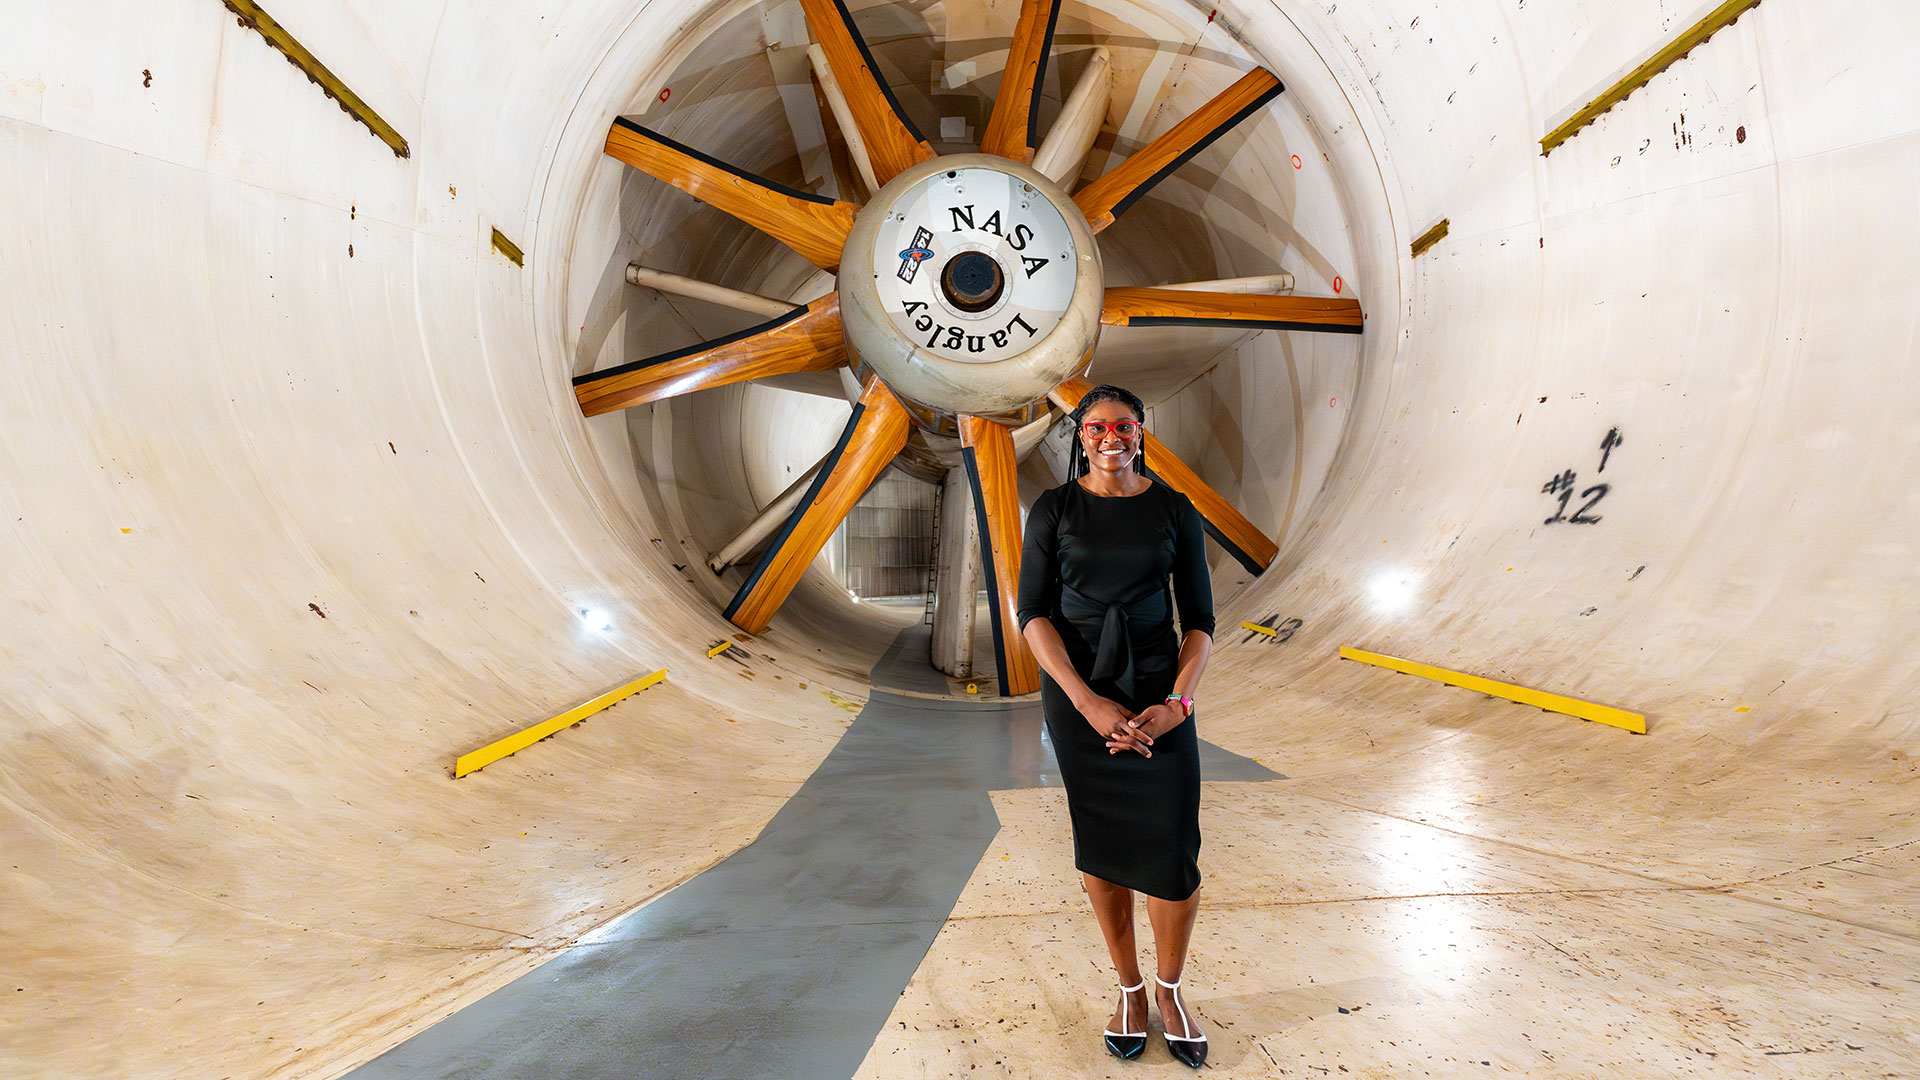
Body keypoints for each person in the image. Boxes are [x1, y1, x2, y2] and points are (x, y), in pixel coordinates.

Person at [1016, 384, 1215, 1067]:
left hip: (1161, 697)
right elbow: (1032, 615)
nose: (1110, 437)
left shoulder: (1174, 511)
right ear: (1080, 435)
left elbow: (1201, 624)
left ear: (1140, 432)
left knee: (1172, 856)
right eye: (1095, 427)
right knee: (1101, 849)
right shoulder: (1053, 509)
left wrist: (1176, 707)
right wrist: (1086, 702)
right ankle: (1128, 988)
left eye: (1122, 425)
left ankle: (1169, 989)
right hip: (1082, 701)